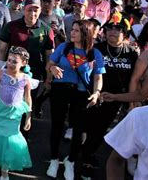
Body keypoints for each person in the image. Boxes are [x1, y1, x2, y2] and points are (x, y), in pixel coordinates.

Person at [80, 12, 139, 179]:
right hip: (93, 95)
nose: (113, 31)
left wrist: (130, 99)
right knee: (87, 128)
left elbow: (134, 78)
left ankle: (88, 157)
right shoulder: (96, 48)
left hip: (115, 99)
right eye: (110, 28)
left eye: (118, 29)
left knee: (100, 131)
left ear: (125, 33)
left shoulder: (131, 53)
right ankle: (83, 157)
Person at [45, 20, 105, 180]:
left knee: (79, 130)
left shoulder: (94, 54)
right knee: (57, 125)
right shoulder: (63, 47)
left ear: (86, 34)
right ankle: (54, 159)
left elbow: (98, 76)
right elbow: (50, 63)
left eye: (77, 31)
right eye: (72, 30)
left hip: (81, 94)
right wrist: (52, 68)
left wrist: (96, 92)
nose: (72, 33)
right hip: (60, 90)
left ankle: (70, 160)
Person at [0, 46, 33, 180]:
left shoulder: (25, 79)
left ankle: (5, 169)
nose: (10, 63)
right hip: (1, 110)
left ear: (23, 63)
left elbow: (28, 98)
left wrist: (28, 117)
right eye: (9, 60)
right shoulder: (1, 73)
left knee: (10, 139)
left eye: (14, 61)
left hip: (15, 113)